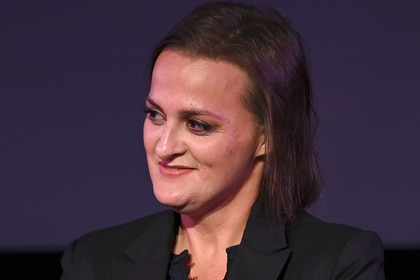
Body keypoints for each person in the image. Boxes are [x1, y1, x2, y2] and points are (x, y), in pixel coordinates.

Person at [60, 2, 384, 279]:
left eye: (197, 124)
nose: (163, 147)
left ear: (268, 136)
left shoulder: (337, 263)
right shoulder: (92, 263)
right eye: (155, 115)